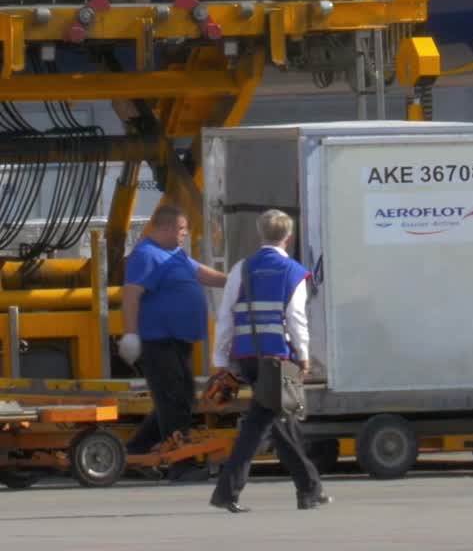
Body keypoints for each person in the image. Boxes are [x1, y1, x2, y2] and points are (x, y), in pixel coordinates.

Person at [209, 208, 330, 514]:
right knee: (259, 426)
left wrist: (221, 358)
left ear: (260, 234)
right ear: (288, 238)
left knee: (280, 424)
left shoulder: (242, 268)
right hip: (277, 360)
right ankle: (227, 491)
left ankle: (309, 489)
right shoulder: (292, 272)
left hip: (248, 358)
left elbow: (225, 316)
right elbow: (296, 320)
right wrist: (303, 356)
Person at [118, 204, 227, 477]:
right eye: (180, 229)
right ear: (164, 228)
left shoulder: (174, 253)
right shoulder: (146, 255)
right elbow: (131, 295)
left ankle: (134, 454)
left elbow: (200, 273)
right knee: (173, 400)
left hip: (178, 341)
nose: (184, 234)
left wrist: (234, 280)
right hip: (158, 341)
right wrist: (130, 334)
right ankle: (181, 464)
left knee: (181, 399)